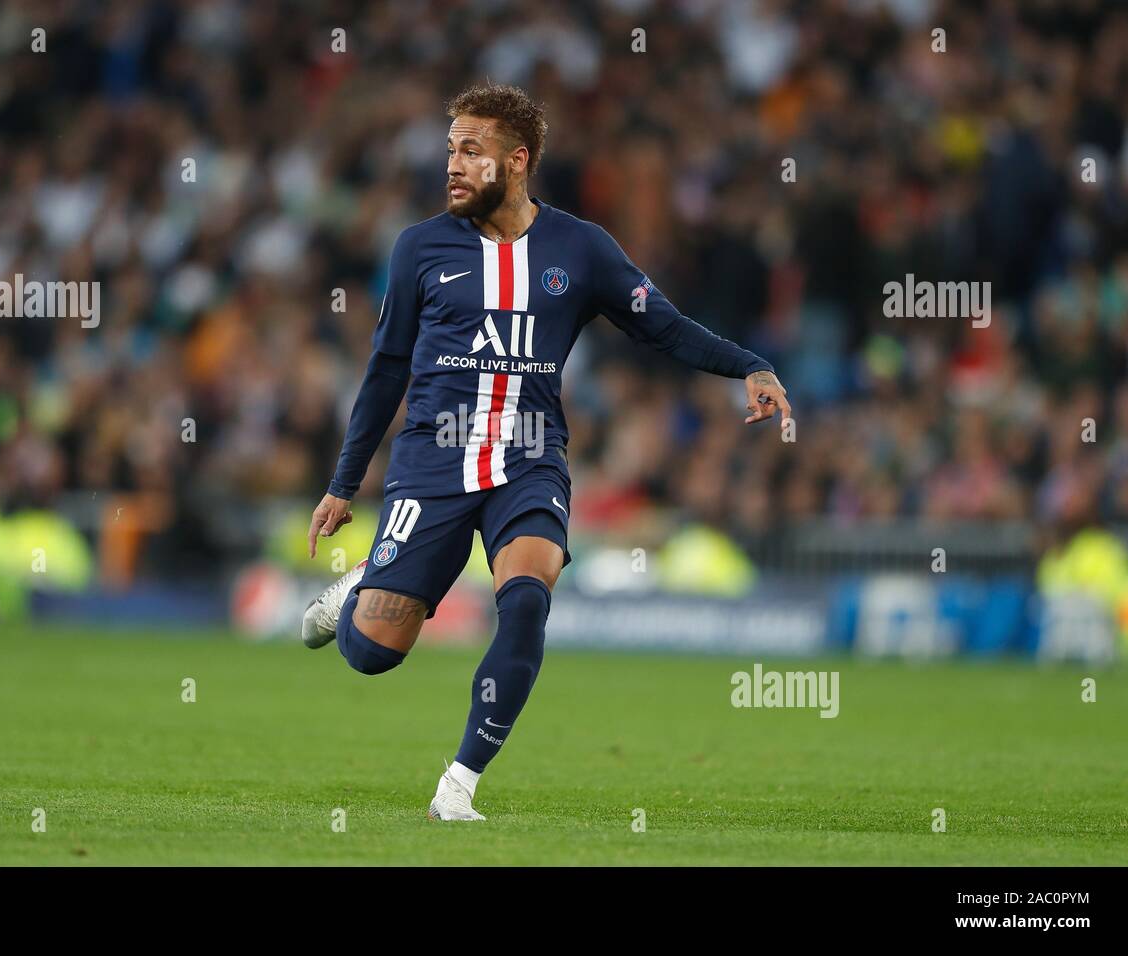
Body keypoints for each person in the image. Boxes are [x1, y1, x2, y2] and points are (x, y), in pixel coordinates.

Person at [302, 83, 791, 821]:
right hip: (435, 458)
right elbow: (385, 370)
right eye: (451, 151)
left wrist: (748, 364)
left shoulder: (580, 249)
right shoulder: (420, 249)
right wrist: (344, 484)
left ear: (518, 160)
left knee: (527, 600)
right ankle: (362, 588)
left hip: (530, 459)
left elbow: (664, 325)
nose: (454, 166)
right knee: (374, 652)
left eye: (472, 152)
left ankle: (458, 784)